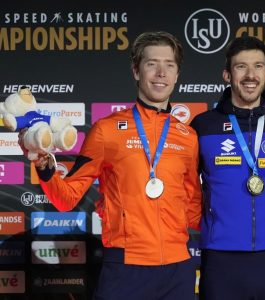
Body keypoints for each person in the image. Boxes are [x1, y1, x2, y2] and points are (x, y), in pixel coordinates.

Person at [19, 31, 202, 300]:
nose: (161, 72)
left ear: (177, 74)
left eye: (169, 65)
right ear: (136, 71)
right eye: (152, 64)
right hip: (126, 268)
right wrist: (44, 165)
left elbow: (195, 208)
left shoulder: (188, 137)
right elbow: (66, 199)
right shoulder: (107, 131)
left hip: (178, 270)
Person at [191, 36, 265, 299]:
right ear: (227, 74)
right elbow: (184, 187)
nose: (251, 75)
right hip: (221, 256)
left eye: (258, 66)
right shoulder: (203, 125)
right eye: (241, 67)